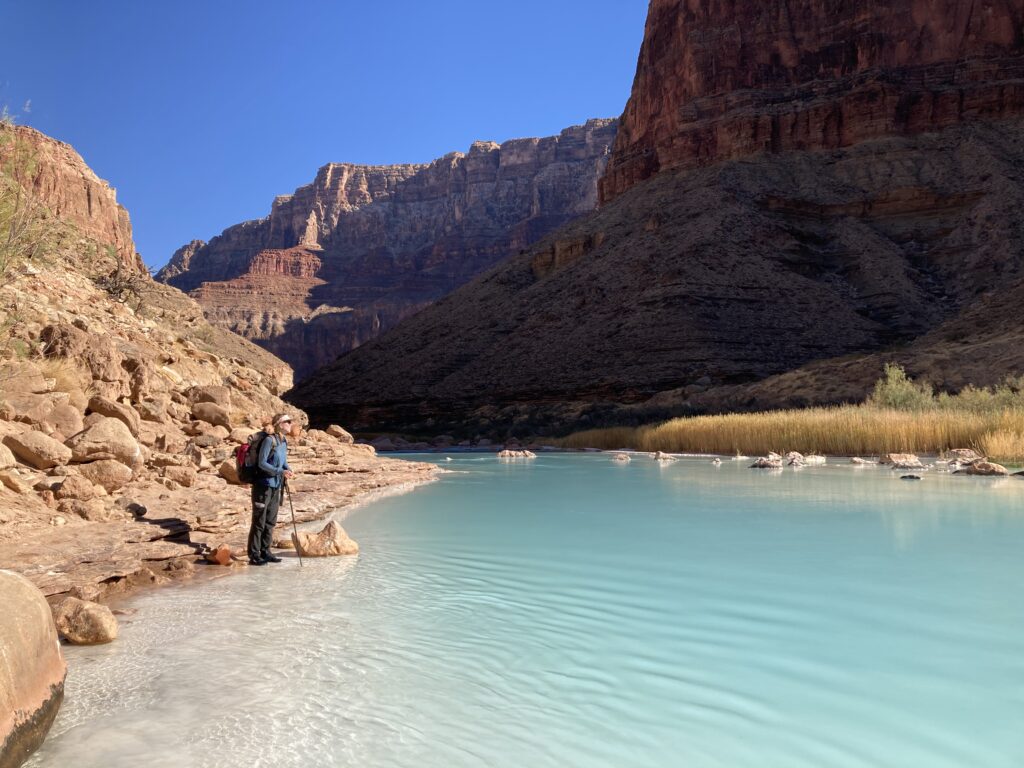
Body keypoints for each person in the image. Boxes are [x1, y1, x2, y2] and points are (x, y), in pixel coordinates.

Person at [247, 413, 295, 565]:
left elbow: (283, 461)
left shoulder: (283, 441)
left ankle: (265, 551)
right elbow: (262, 463)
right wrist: (281, 471)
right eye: (288, 421)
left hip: (276, 485)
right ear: (280, 424)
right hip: (263, 485)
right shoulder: (269, 440)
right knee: (259, 521)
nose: (290, 423)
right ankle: (254, 555)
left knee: (270, 521)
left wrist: (288, 469)